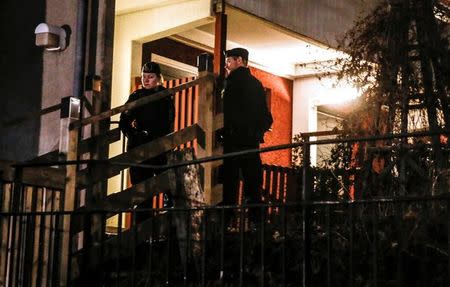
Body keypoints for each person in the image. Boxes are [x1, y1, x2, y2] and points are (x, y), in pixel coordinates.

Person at [221, 47, 273, 228]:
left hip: (233, 141)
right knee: (253, 182)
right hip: (250, 142)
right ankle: (255, 222)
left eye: (229, 60)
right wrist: (256, 133)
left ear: (240, 61)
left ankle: (226, 222)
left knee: (230, 183)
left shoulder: (230, 83)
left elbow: (226, 113)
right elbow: (267, 117)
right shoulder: (256, 84)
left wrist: (224, 133)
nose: (226, 65)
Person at [119, 61, 175, 212]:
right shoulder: (137, 96)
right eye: (144, 77)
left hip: (159, 146)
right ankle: (141, 229)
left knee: (167, 183)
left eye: (150, 77)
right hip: (140, 147)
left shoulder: (165, 96)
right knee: (142, 193)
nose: (146, 80)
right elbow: (124, 121)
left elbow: (169, 122)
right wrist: (134, 136)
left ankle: (168, 217)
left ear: (158, 78)